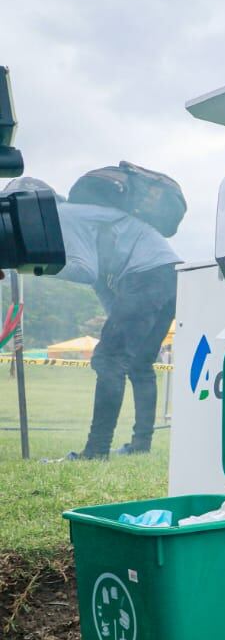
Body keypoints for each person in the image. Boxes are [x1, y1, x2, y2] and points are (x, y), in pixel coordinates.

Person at [3, 176, 182, 459]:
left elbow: (84, 270)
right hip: (169, 276)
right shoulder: (81, 215)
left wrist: (37, 267)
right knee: (139, 364)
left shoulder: (63, 217)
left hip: (147, 277)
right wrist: (116, 323)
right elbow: (98, 280)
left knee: (108, 360)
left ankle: (96, 450)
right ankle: (141, 445)